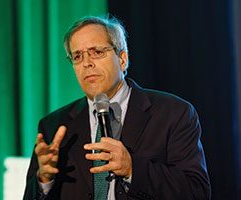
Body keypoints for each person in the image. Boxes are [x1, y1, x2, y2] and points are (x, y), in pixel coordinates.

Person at [23, 15, 211, 200]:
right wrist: (44, 180)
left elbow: (196, 192)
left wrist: (132, 169)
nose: (86, 63)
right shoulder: (53, 126)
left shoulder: (173, 113)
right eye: (77, 56)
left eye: (97, 52)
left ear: (122, 59)